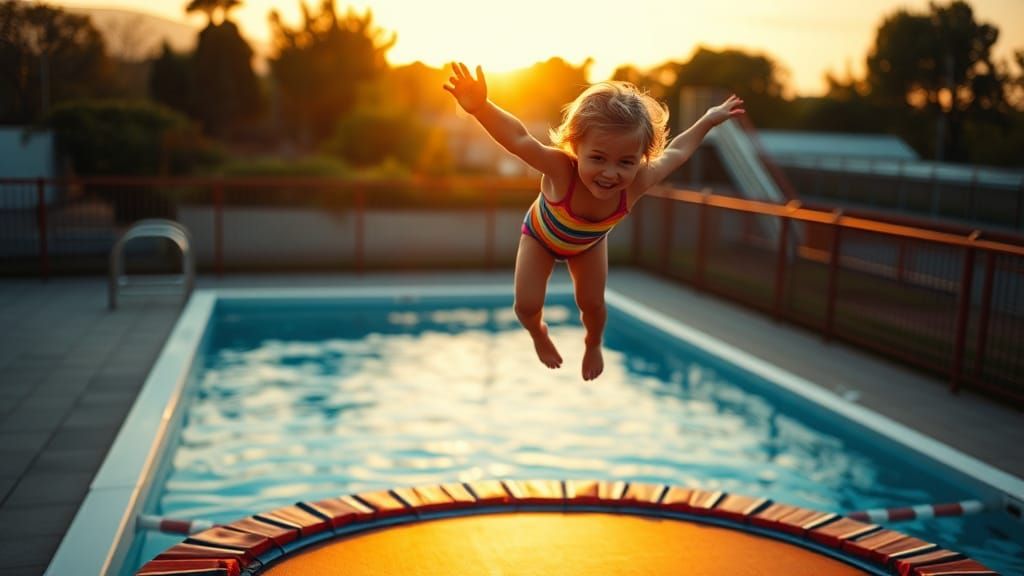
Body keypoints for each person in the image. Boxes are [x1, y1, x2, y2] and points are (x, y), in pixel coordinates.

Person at [444, 62, 744, 380]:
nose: (610, 173)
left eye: (625, 162)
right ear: (576, 147)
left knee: (593, 305)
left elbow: (678, 152)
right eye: (598, 158)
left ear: (642, 158)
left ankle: (593, 343)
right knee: (526, 307)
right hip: (540, 238)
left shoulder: (639, 181)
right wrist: (481, 108)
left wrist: (708, 119)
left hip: (588, 244)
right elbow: (519, 139)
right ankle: (538, 334)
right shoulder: (561, 169)